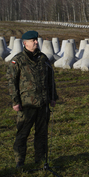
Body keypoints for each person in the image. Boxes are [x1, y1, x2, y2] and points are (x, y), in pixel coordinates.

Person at [6, 30, 58, 168]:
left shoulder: (43, 58)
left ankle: (40, 160)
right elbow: (12, 82)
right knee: (22, 134)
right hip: (26, 105)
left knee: (41, 134)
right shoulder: (18, 60)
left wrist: (53, 97)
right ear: (25, 43)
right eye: (33, 40)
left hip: (43, 103)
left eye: (36, 39)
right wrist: (15, 101)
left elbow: (50, 79)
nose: (36, 42)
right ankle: (20, 162)